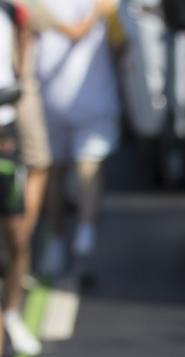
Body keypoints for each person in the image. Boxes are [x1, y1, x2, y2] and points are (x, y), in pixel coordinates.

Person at [34, 0, 122, 284]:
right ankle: (80, 244)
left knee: (57, 173)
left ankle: (58, 244)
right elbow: (119, 45)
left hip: (53, 97)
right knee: (86, 172)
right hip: (87, 97)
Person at [0, 0, 37, 357]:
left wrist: (21, 74)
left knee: (18, 240)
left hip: (3, 142)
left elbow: (26, 30)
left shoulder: (11, 11)